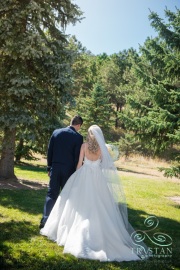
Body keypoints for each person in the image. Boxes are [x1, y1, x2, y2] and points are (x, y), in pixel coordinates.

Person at [40, 125, 148, 262]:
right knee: (100, 204)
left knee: (77, 204)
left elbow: (79, 164)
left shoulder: (84, 146)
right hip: (97, 178)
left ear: (89, 135)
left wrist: (76, 176)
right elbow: (104, 165)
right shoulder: (102, 149)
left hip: (84, 175)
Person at [39, 115, 83, 229]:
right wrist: (75, 172)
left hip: (55, 168)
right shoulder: (78, 137)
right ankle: (63, 222)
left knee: (51, 194)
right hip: (68, 170)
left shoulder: (56, 132)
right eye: (80, 127)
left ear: (71, 122)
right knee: (66, 195)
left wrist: (49, 168)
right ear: (78, 125)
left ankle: (45, 219)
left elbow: (50, 151)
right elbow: (76, 157)